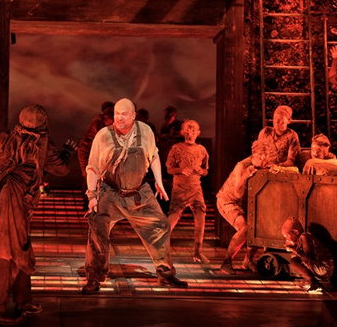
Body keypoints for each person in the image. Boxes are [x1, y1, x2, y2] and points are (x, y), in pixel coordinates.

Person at [0, 104, 76, 325]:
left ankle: (23, 300)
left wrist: (5, 167)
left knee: (21, 246)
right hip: (13, 202)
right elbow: (61, 169)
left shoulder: (6, 137)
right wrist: (67, 153)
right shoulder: (43, 144)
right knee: (7, 250)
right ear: (44, 124)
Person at [82, 98, 187, 294]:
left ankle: (166, 273)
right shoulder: (103, 136)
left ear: (133, 116)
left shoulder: (145, 131)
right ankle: (94, 278)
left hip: (139, 191)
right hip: (111, 192)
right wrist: (92, 196)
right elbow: (92, 167)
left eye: (124, 114)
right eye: (116, 114)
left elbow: (153, 155)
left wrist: (158, 180)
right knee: (97, 228)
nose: (119, 118)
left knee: (161, 226)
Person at [217, 140, 270, 275]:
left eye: (266, 155)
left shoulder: (263, 163)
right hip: (228, 201)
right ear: (254, 155)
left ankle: (248, 260)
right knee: (244, 228)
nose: (263, 159)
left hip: (247, 203)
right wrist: (246, 176)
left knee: (259, 227)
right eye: (260, 155)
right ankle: (226, 262)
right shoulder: (242, 166)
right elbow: (237, 193)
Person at [166, 120, 210, 264]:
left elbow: (205, 170)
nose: (190, 133)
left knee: (200, 220)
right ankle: (162, 251)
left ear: (198, 133)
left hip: (196, 189)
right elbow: (169, 169)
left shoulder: (202, 150)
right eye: (187, 130)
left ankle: (198, 252)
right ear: (183, 132)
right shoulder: (177, 148)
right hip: (180, 189)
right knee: (172, 219)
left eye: (193, 131)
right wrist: (180, 170)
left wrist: (201, 171)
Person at [281, 216, 334, 292]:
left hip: (323, 267)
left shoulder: (304, 237)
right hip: (319, 267)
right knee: (294, 260)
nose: (287, 239)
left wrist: (293, 249)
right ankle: (311, 281)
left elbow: (307, 256)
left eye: (287, 236)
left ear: (296, 232)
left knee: (295, 261)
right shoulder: (300, 240)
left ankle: (312, 282)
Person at [77, 101, 114, 209]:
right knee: (89, 180)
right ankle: (89, 204)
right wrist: (85, 170)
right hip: (91, 156)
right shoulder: (97, 125)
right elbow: (85, 147)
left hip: (105, 158)